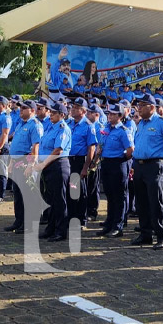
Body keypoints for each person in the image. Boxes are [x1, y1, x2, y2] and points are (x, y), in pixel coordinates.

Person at [130, 94, 163, 250]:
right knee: (141, 201)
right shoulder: (141, 124)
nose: (139, 108)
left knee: (156, 201)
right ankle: (146, 234)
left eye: (142, 105)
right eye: (138, 105)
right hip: (139, 165)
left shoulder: (162, 123)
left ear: (152, 107)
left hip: (154, 165)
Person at [31, 101, 72, 242]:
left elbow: (57, 150)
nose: (51, 115)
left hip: (58, 165)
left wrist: (43, 164)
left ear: (62, 115)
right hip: (48, 166)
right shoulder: (51, 127)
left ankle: (61, 231)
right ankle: (51, 228)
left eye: (54, 113)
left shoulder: (63, 128)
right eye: (51, 112)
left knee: (59, 200)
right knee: (51, 200)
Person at [94, 103, 134, 237]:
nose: (109, 116)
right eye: (108, 114)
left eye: (112, 114)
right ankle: (109, 223)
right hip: (106, 163)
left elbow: (130, 150)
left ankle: (118, 225)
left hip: (118, 163)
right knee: (110, 195)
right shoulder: (106, 129)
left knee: (119, 196)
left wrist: (120, 158)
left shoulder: (123, 130)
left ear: (120, 116)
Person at [5, 100, 43, 233]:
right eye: (21, 108)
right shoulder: (20, 124)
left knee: (27, 195)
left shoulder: (35, 125)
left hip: (26, 162)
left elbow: (35, 147)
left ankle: (29, 224)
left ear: (32, 110)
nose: (21, 110)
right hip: (16, 161)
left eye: (25, 108)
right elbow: (15, 145)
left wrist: (31, 164)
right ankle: (19, 221)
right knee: (17, 193)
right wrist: (11, 163)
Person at [67, 97, 98, 227]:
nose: (73, 109)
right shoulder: (68, 124)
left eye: (76, 108)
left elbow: (91, 148)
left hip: (79, 160)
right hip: (68, 160)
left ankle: (81, 219)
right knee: (69, 191)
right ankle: (70, 217)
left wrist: (85, 167)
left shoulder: (88, 126)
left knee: (80, 192)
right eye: (73, 107)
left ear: (84, 111)